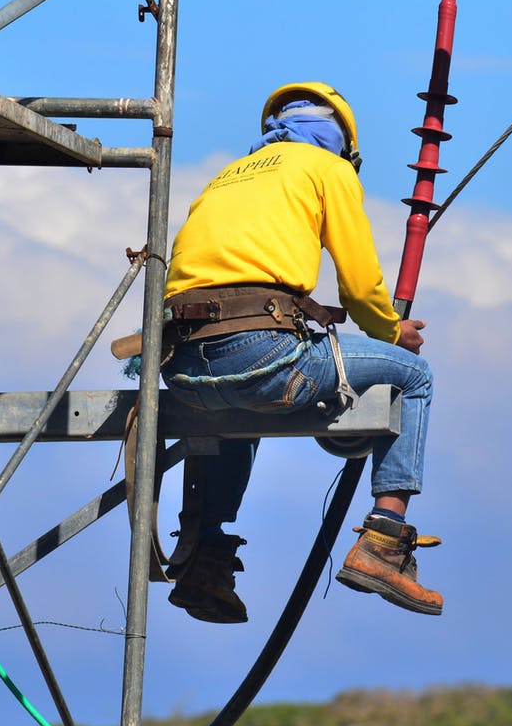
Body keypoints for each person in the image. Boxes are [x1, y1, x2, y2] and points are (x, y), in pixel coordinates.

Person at [158, 82, 441, 624]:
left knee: (236, 419)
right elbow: (360, 288)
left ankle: (205, 557)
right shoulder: (326, 169)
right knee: (415, 376)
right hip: (260, 353)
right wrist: (391, 332)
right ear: (343, 144)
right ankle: (384, 540)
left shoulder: (227, 176)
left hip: (182, 368)